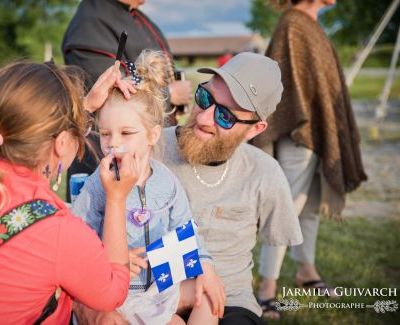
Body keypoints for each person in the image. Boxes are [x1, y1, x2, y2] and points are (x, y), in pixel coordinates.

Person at [72, 50, 223, 325]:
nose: (113, 143)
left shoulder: (167, 183)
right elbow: (76, 236)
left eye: (126, 133)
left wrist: (206, 267)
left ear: (152, 135)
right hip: (113, 295)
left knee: (209, 296)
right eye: (105, 134)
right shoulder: (98, 183)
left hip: (158, 291)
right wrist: (110, 260)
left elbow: (186, 230)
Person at [0, 60, 144, 323]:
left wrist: (85, 106)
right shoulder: (56, 231)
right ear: (62, 143)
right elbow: (112, 293)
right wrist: (116, 198)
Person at [251, 0, 368, 319]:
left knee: (312, 205)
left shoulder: (314, 25)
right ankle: (267, 290)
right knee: (287, 205)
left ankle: (306, 271)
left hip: (318, 130)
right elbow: (284, 81)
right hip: (299, 128)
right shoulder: (292, 22)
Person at [62, 0, 193, 202]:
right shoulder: (90, 23)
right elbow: (112, 96)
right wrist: (169, 95)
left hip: (143, 156)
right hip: (106, 165)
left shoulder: (135, 16)